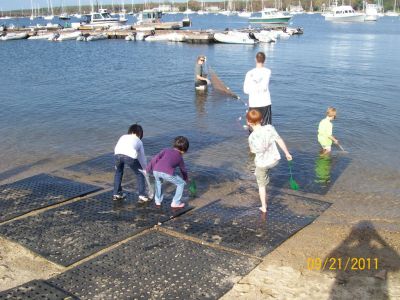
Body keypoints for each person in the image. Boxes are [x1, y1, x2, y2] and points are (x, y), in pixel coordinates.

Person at [247, 109, 292, 213]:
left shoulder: (251, 137)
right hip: (274, 160)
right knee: (261, 170)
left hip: (262, 164)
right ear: (262, 120)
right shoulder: (269, 128)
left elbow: (252, 151)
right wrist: (287, 153)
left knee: (261, 185)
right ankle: (261, 174)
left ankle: (264, 207)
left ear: (248, 122)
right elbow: (279, 139)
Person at [146, 136, 189, 208]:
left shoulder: (165, 150)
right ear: (184, 150)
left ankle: (158, 201)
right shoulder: (180, 157)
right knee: (181, 184)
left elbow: (155, 159)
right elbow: (183, 169)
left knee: (158, 183)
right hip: (167, 172)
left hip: (155, 170)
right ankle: (175, 202)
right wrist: (185, 179)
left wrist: (148, 168)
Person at [113, 124, 149, 202]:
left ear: (130, 131)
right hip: (129, 156)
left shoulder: (123, 136)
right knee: (140, 174)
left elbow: (117, 147)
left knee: (118, 173)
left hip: (117, 154)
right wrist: (145, 169)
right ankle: (142, 195)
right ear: (140, 133)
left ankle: (116, 194)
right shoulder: (139, 141)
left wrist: (116, 164)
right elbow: (142, 157)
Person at [243, 51, 272, 125]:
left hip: (253, 103)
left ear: (255, 59)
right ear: (264, 60)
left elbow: (245, 90)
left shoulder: (249, 73)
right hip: (265, 102)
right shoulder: (268, 71)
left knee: (253, 125)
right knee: (266, 126)